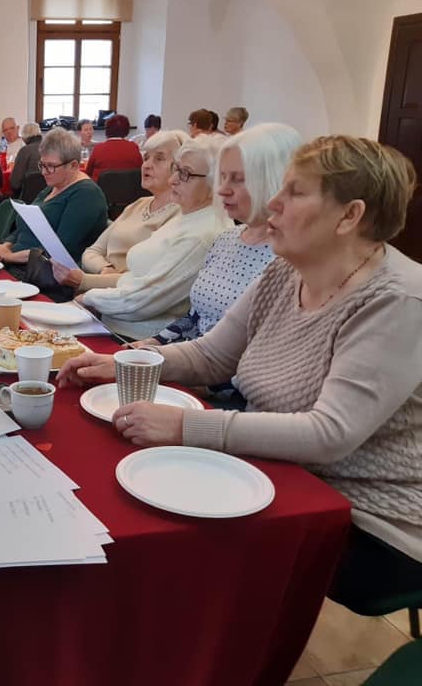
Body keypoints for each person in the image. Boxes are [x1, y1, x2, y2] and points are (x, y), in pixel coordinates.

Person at [58, 135, 422, 615]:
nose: (273, 202)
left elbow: (330, 434)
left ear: (349, 216)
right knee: (119, 487)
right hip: (279, 468)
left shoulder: (396, 299)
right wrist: (124, 363)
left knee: (165, 540)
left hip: (371, 515)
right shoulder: (286, 270)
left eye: (295, 192)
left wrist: (187, 427)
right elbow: (212, 355)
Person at [137, 123, 300, 350]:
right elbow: (195, 317)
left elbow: (259, 353)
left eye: (238, 179)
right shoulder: (226, 239)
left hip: (219, 379)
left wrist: (166, 360)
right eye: (222, 178)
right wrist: (152, 345)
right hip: (192, 364)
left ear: (274, 180)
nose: (222, 190)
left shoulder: (291, 258)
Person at [78, 139, 231, 338]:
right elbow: (136, 280)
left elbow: (143, 301)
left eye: (185, 174)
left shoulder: (202, 233)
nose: (172, 180)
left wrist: (89, 298)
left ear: (216, 183)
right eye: (176, 169)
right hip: (111, 322)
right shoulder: (188, 217)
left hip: (134, 339)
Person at [52, 130, 188, 291]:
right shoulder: (138, 205)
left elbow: (146, 280)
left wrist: (86, 280)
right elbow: (92, 251)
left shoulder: (180, 215)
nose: (147, 165)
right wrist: (104, 268)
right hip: (99, 290)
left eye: (159, 158)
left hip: (124, 300)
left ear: (181, 169)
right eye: (146, 158)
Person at [0, 127, 107, 288]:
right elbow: (25, 226)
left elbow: (59, 251)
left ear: (73, 165)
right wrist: (7, 245)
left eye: (51, 166)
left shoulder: (86, 194)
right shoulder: (54, 186)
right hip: (20, 266)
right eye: (42, 165)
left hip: (41, 276)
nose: (44, 172)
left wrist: (11, 256)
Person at [86, 114, 143, 181]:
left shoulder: (99, 148)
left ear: (107, 129)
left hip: (101, 189)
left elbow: (88, 172)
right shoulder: (133, 147)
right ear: (126, 130)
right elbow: (140, 170)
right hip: (129, 189)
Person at [9, 122, 44, 196]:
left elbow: (15, 183)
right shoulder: (52, 147)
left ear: (24, 137)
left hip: (27, 197)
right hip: (48, 195)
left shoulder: (25, 151)